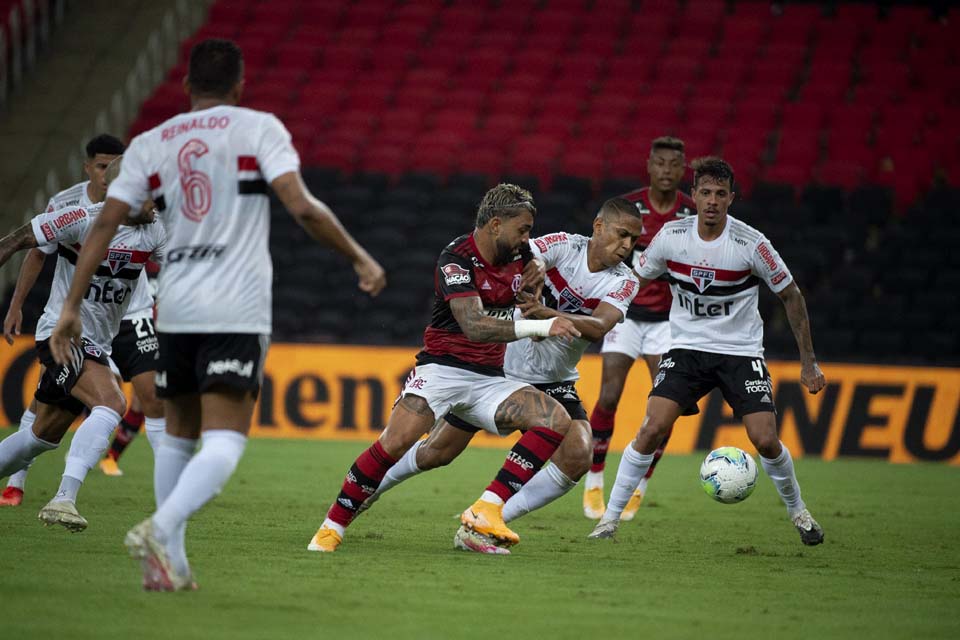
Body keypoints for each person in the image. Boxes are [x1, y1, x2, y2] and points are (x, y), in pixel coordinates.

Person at [48, 38, 385, 591]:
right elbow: (300, 205)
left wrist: (68, 307)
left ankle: (170, 567)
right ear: (239, 85)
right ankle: (161, 526)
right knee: (225, 439)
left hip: (174, 306)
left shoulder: (153, 143)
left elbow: (103, 224)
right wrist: (358, 256)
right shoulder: (258, 128)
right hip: (236, 305)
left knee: (177, 432)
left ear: (186, 86)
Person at [358, 198, 642, 554]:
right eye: (622, 235)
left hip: (554, 378)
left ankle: (486, 517)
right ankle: (369, 489)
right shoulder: (564, 245)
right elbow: (521, 252)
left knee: (578, 454)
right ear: (598, 226)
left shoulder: (626, 281)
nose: (627, 246)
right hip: (500, 369)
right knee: (437, 452)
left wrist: (543, 314)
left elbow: (599, 326)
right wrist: (535, 266)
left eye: (634, 239)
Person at [307, 183, 580, 554]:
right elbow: (475, 326)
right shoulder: (456, 258)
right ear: (496, 224)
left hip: (489, 380)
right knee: (396, 442)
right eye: (523, 229)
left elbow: (535, 281)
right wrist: (542, 326)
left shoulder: (525, 255)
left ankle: (487, 509)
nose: (527, 238)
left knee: (556, 420)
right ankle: (332, 526)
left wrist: (535, 293)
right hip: (442, 370)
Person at [587, 157, 826, 546]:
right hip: (686, 349)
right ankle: (608, 522)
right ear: (693, 195)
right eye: (705, 192)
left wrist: (809, 362)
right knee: (651, 428)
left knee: (765, 439)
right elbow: (631, 280)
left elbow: (791, 295)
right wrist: (597, 313)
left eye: (720, 194)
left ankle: (799, 513)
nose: (712, 201)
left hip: (740, 352)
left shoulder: (752, 244)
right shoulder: (671, 237)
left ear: (732, 198)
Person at [0, 157, 165, 532]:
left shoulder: (154, 229)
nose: (156, 203)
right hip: (60, 334)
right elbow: (17, 240)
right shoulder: (80, 218)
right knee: (112, 402)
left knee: (39, 438)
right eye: (149, 196)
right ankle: (64, 499)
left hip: (98, 343)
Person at [585, 136, 696, 521]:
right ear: (649, 165)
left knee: (663, 408)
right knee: (610, 394)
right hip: (627, 315)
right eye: (660, 163)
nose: (667, 171)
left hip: (669, 322)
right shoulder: (628, 209)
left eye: (674, 165)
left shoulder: (693, 214)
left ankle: (638, 485)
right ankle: (595, 478)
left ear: (684, 171)